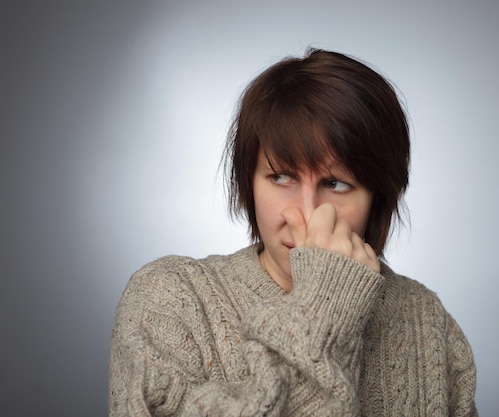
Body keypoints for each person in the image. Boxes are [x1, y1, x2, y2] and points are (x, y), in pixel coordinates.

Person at [108, 49, 478, 416]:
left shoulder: (425, 317)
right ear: (248, 183)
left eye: (335, 183)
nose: (305, 211)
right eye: (281, 177)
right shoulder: (170, 298)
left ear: (377, 198)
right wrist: (324, 308)